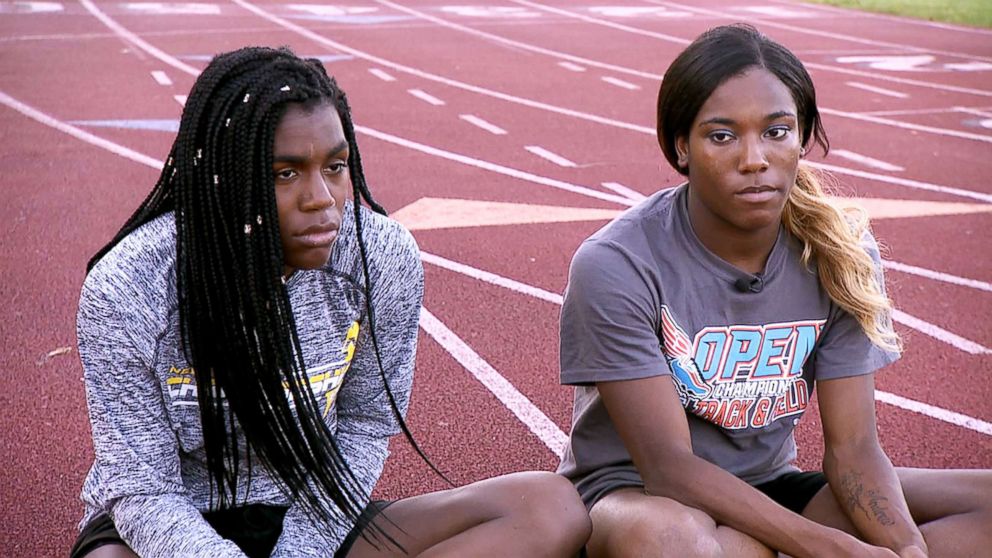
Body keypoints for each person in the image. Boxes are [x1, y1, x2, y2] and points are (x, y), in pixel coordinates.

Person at [71, 46, 590, 558]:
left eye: (336, 166)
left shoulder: (379, 257)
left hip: (316, 517)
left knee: (548, 509)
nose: (322, 198)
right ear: (224, 178)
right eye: (285, 173)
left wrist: (300, 552)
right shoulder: (132, 284)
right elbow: (142, 489)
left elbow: (365, 423)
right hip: (168, 529)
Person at [557, 24, 991, 558]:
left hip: (771, 488)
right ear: (680, 147)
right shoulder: (617, 263)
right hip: (640, 497)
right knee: (675, 541)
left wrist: (906, 550)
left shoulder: (839, 251)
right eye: (721, 136)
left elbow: (853, 449)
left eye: (777, 131)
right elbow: (669, 467)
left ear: (804, 138)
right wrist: (830, 548)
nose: (754, 159)